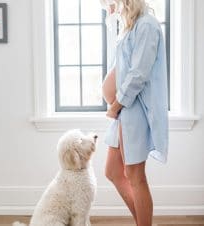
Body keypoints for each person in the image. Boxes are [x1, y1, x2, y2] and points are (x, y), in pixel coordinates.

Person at [100, 0, 169, 226]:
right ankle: (144, 222)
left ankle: (144, 223)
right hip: (124, 112)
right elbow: (119, 65)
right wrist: (112, 19)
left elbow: (139, 72)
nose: (110, 7)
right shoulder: (129, 25)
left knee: (136, 176)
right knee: (112, 171)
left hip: (133, 109)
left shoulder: (147, 25)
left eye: (112, 3)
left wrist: (116, 104)